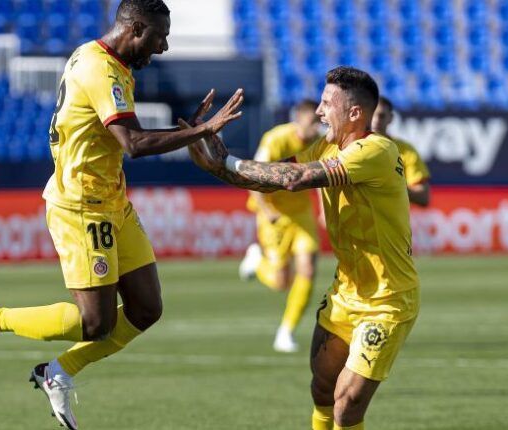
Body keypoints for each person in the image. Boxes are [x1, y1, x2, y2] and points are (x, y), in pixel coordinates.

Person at [0, 1, 244, 429]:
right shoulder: (101, 69)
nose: (164, 47)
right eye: (159, 37)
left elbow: (125, 136)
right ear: (136, 28)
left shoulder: (108, 61)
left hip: (112, 201)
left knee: (145, 309)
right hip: (81, 206)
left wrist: (185, 131)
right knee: (95, 322)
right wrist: (200, 131)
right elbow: (134, 144)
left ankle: (57, 372)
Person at [183, 66, 419, 430]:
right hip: (346, 291)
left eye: (327, 104)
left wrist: (226, 162)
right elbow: (273, 178)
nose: (319, 112)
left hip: (386, 300)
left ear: (354, 112)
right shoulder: (326, 145)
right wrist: (216, 165)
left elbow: (296, 179)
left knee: (346, 405)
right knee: (322, 389)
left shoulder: (375, 150)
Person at [238, 99, 323, 353]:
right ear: (298, 118)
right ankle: (256, 261)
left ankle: (286, 332)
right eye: (312, 122)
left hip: (302, 215)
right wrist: (267, 211)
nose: (316, 128)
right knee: (280, 282)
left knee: (307, 270)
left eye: (319, 122)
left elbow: (321, 175)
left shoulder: (319, 144)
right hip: (274, 215)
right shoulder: (276, 140)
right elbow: (253, 176)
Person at [371, 96, 431, 207]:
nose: (376, 120)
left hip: (391, 222)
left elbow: (424, 196)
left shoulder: (406, 151)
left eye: (381, 115)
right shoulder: (350, 146)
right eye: (372, 115)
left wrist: (393, 186)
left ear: (391, 118)